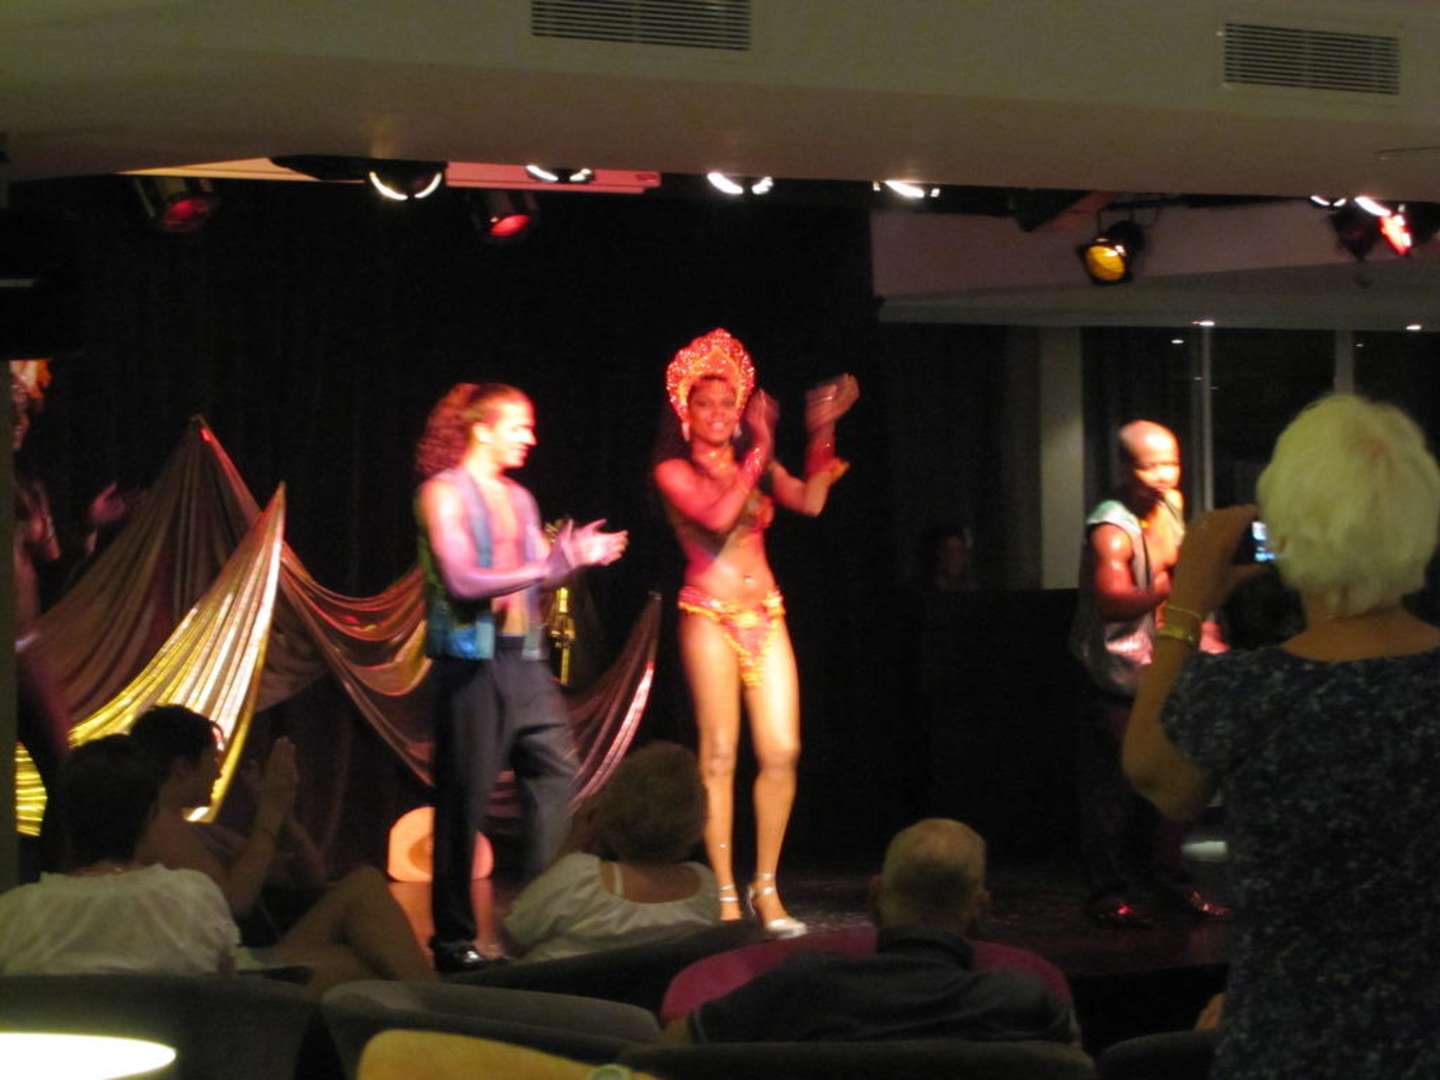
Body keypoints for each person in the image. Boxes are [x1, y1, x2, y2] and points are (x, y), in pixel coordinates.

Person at [1124, 394, 1440, 1080]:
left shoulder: (1251, 690)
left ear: (1290, 531)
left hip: (1290, 1042)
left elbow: (1153, 772)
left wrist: (1186, 605)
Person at [415, 382, 628, 972]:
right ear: (482, 429)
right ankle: (454, 941)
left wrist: (575, 558)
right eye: (519, 426)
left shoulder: (521, 498)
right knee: (464, 799)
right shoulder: (442, 493)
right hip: (471, 662)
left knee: (555, 773)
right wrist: (550, 562)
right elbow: (463, 580)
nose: (530, 437)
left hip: (524, 660)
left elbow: (538, 576)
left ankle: (539, 915)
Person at [653, 328, 857, 939]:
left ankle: (766, 887)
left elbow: (810, 500)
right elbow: (717, 517)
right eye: (706, 404)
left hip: (766, 612)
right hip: (708, 615)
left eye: (728, 404)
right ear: (686, 414)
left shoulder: (755, 464)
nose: (719, 414)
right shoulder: (672, 470)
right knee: (719, 755)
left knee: (782, 750)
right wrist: (761, 445)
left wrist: (821, 428)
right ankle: (722, 892)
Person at [664, 818, 1080, 1047]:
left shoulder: (804, 985)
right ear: (981, 909)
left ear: (874, 897)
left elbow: (674, 1048)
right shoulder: (1023, 1002)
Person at [132, 704, 436, 991]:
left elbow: (310, 876)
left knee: (366, 911)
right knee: (369, 943)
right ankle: (441, 1006)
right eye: (212, 761)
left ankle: (438, 1005)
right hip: (222, 969)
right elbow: (234, 902)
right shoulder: (158, 825)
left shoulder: (203, 834)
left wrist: (284, 817)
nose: (219, 773)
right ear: (182, 767)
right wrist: (269, 810)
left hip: (253, 954)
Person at [1068, 419, 1226, 927]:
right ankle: (1108, 893)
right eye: (1150, 466)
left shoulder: (1171, 505)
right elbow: (1113, 601)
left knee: (1178, 780)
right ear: (1124, 469)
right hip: (1117, 675)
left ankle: (1170, 879)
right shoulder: (1111, 528)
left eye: (1170, 463)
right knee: (1116, 789)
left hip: (1166, 669)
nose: (1163, 475)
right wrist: (1166, 588)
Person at [0, 735, 239, 976]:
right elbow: (225, 990)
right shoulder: (195, 899)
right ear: (150, 815)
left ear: (66, 819)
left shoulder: (14, 914)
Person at [504, 741, 718, 962]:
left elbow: (513, 938)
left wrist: (572, 842)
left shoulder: (581, 881)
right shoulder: (705, 890)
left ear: (612, 807)